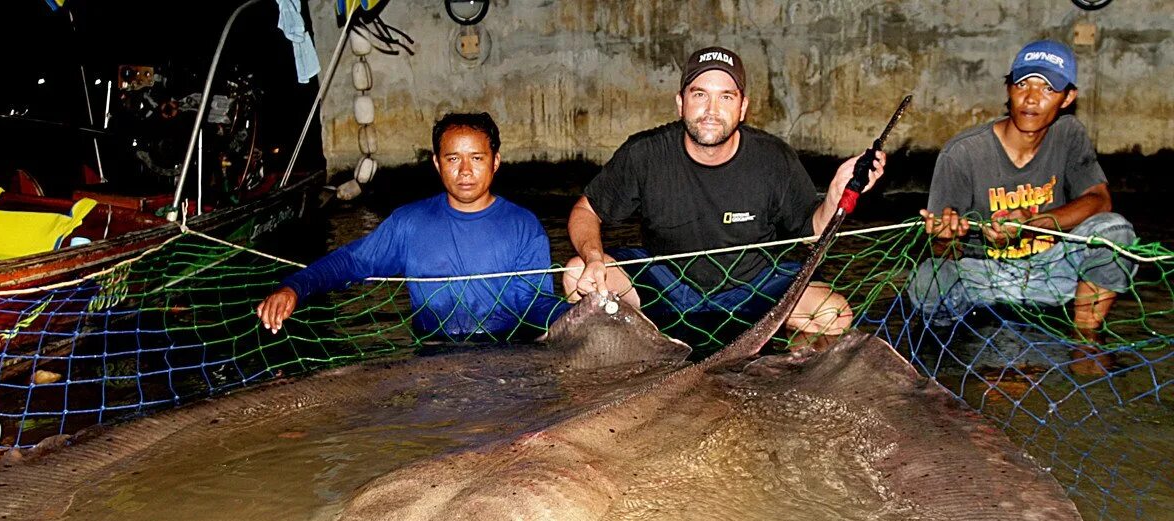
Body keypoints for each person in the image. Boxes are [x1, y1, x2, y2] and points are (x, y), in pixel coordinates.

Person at [563, 46, 885, 339]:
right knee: (577, 275)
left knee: (833, 315)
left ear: (743, 107)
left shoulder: (773, 158)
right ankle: (642, 351)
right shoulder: (645, 154)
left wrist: (833, 197)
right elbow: (586, 211)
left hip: (751, 288)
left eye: (726, 97)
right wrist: (593, 258)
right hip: (666, 286)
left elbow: (812, 232)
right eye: (700, 94)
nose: (711, 110)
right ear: (680, 103)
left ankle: (782, 375)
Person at [257, 112, 566, 340]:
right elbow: (352, 261)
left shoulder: (523, 226)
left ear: (495, 162)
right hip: (432, 356)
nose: (465, 171)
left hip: (506, 353)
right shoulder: (409, 222)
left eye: (477, 158)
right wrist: (295, 287)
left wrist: (574, 316)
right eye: (453, 159)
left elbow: (534, 302)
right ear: (436, 163)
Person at [909, 39, 1136, 337]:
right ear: (1009, 89)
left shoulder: (1068, 134)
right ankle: (952, 349)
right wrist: (944, 240)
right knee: (928, 280)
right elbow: (943, 253)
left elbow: (1099, 200)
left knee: (1114, 232)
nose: (1031, 99)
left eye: (1048, 89)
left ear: (1067, 98)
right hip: (984, 277)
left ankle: (1086, 340)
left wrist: (1030, 226)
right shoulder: (962, 153)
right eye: (1023, 85)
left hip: (1051, 271)